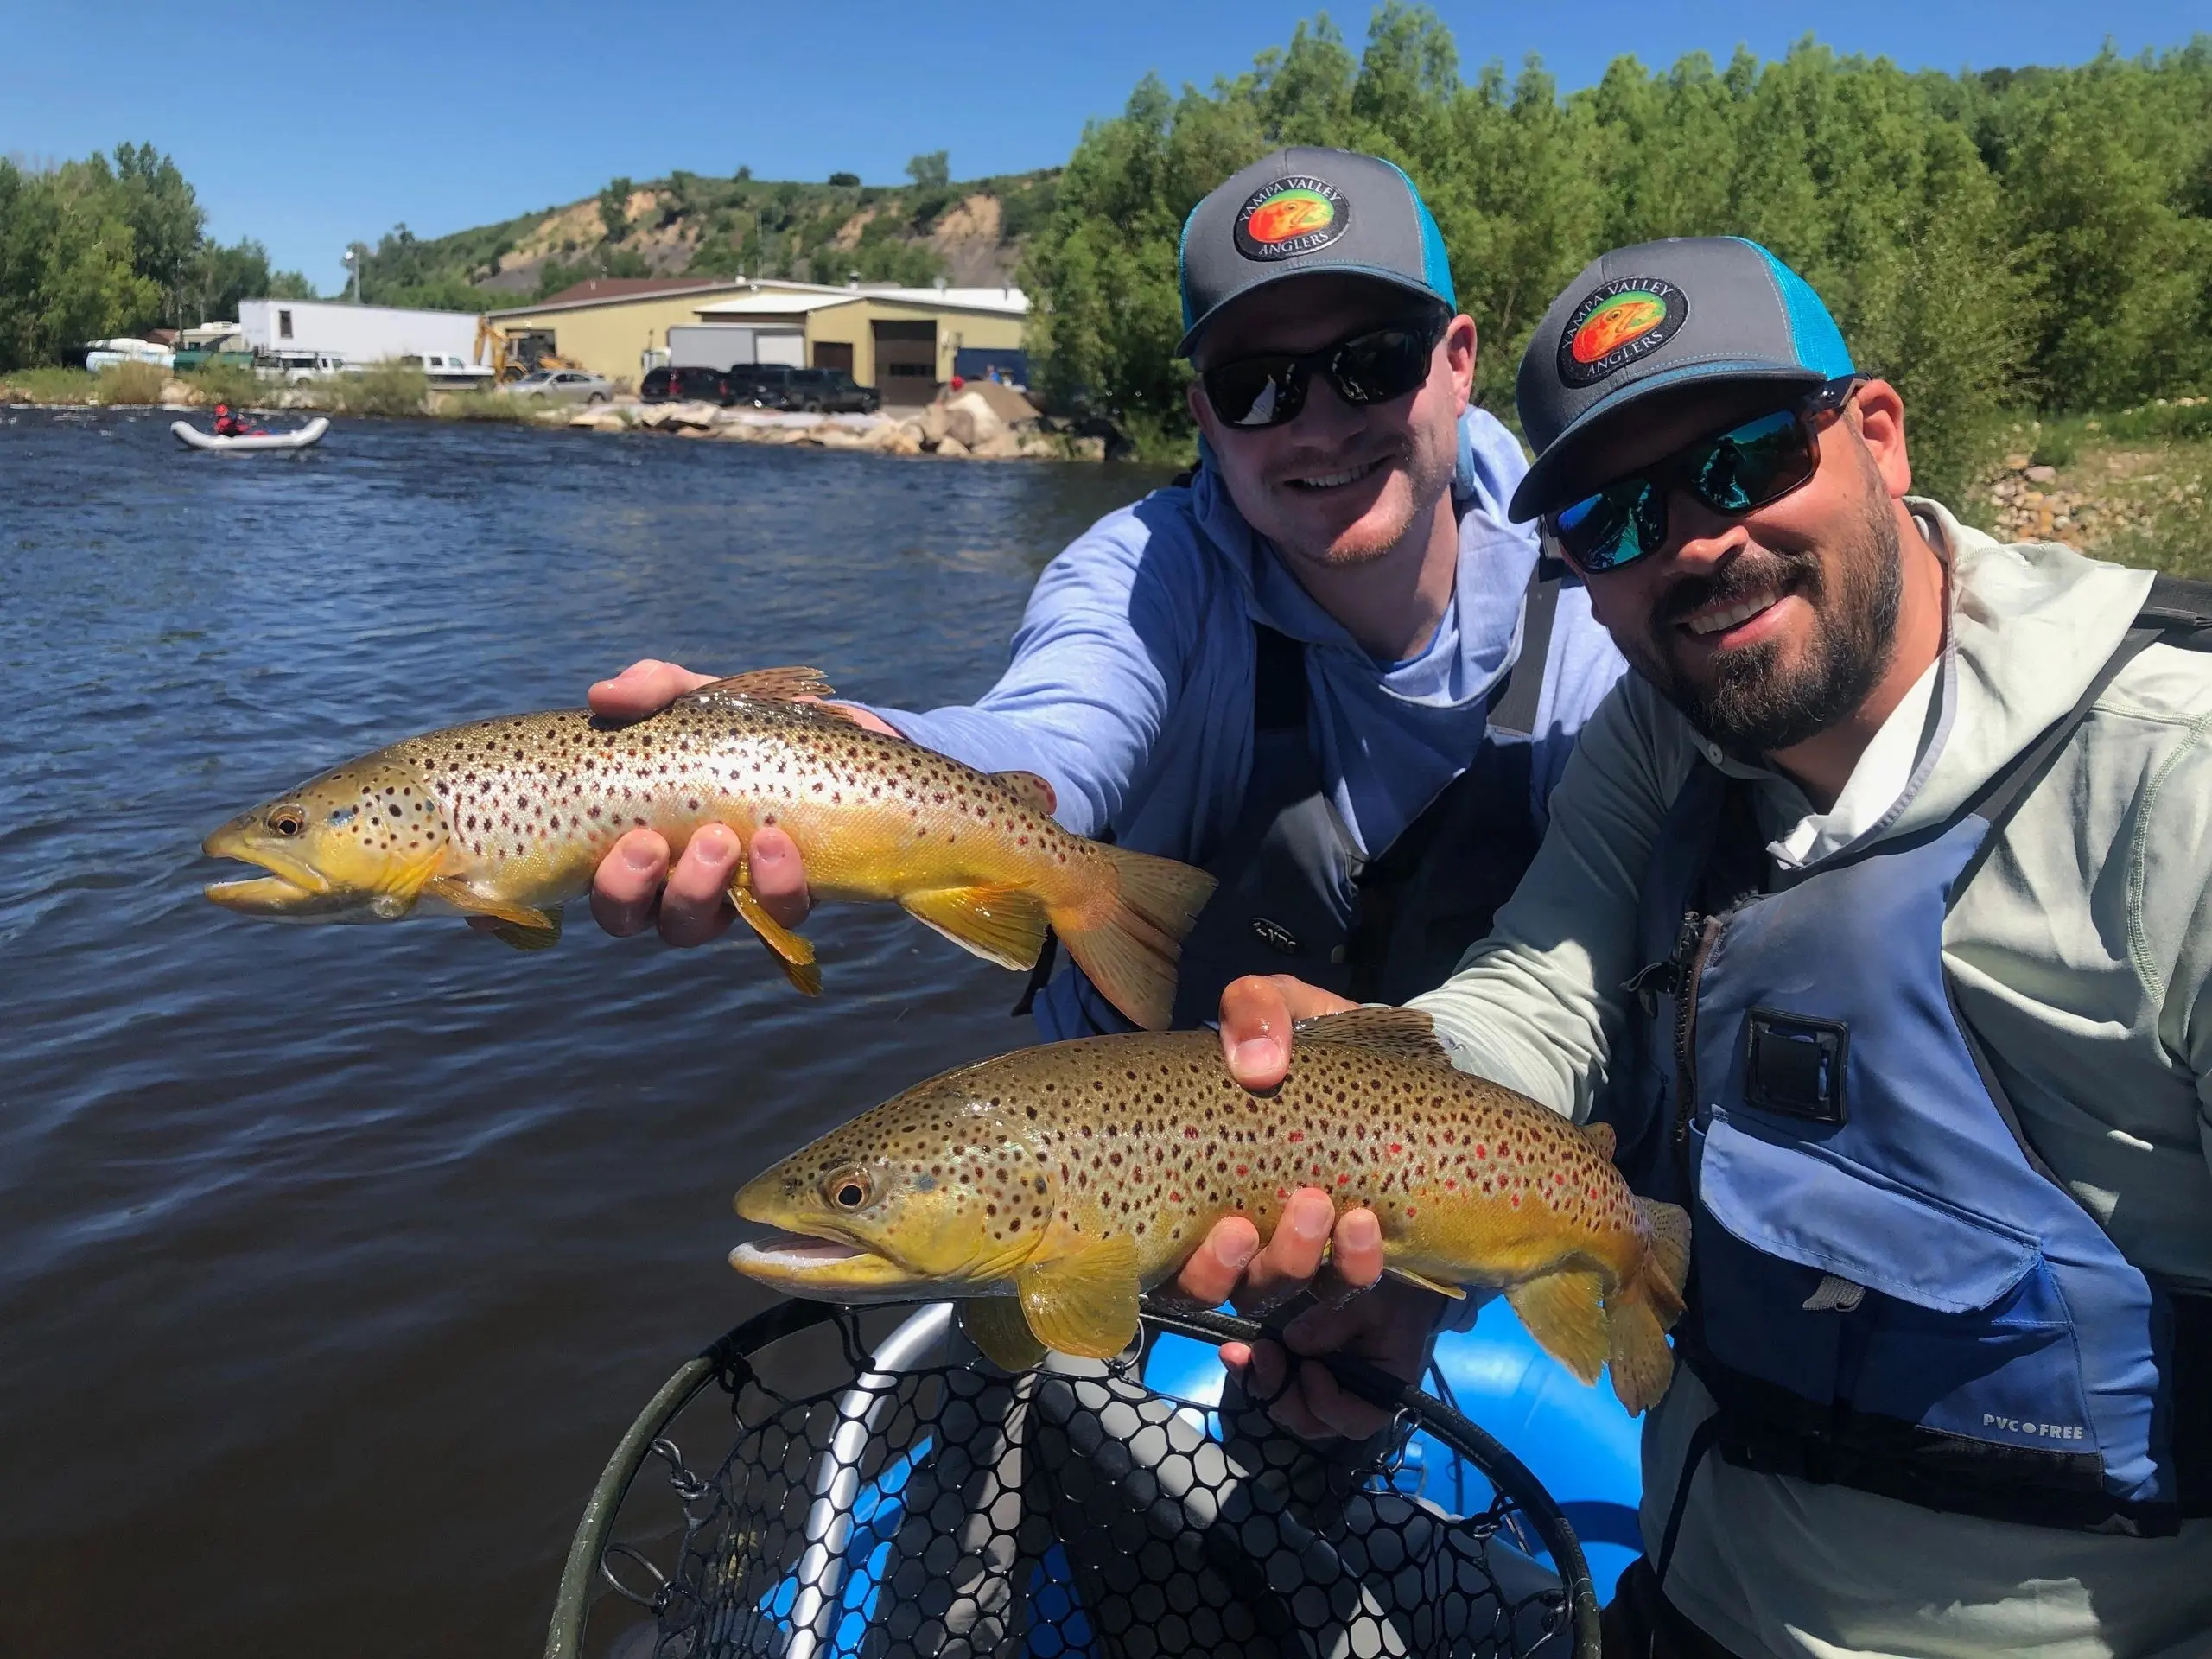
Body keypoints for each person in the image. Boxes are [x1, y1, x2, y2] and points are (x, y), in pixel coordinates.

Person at [1198, 236, 2212, 1656]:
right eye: (1618, 519)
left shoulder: (2180, 787)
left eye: (1742, 462)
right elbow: (1536, 1000)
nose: (1695, 540)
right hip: (1685, 1612)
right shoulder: (1665, 737)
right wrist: (1363, 1109)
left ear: (1876, 433)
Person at [586, 147, 1625, 1059]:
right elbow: (1047, 740)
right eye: (1255, 386)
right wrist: (824, 751)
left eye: (1372, 363)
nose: (1316, 424)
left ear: (1456, 365)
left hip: (1456, 1173)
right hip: (1133, 1166)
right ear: (1203, 422)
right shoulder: (1142, 572)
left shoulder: (1601, 605)